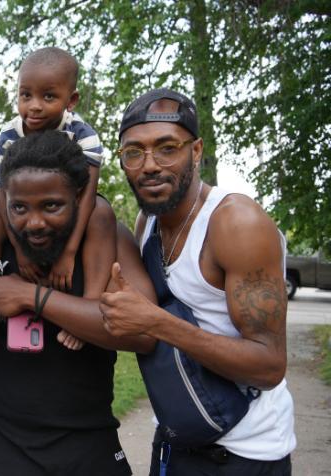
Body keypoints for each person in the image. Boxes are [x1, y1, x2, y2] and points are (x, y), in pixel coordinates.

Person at [100, 88, 295, 474]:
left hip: (243, 454)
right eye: (134, 153)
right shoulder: (148, 222)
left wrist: (155, 322)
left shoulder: (236, 223)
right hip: (175, 442)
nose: (149, 165)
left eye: (167, 148)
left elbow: (269, 367)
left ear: (196, 150)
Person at [0, 130, 155, 475]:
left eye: (52, 206)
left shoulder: (109, 239)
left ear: (79, 197)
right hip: (5, 447)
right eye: (19, 207)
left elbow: (146, 335)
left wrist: (31, 296)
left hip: (90, 444)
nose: (34, 223)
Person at [0, 46, 114, 345]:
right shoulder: (9, 135)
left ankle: (89, 306)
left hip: (70, 206)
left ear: (71, 100)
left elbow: (88, 194)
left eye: (48, 97)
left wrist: (69, 253)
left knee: (101, 212)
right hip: (19, 207)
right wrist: (19, 249)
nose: (34, 106)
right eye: (26, 95)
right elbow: (1, 194)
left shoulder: (83, 134)